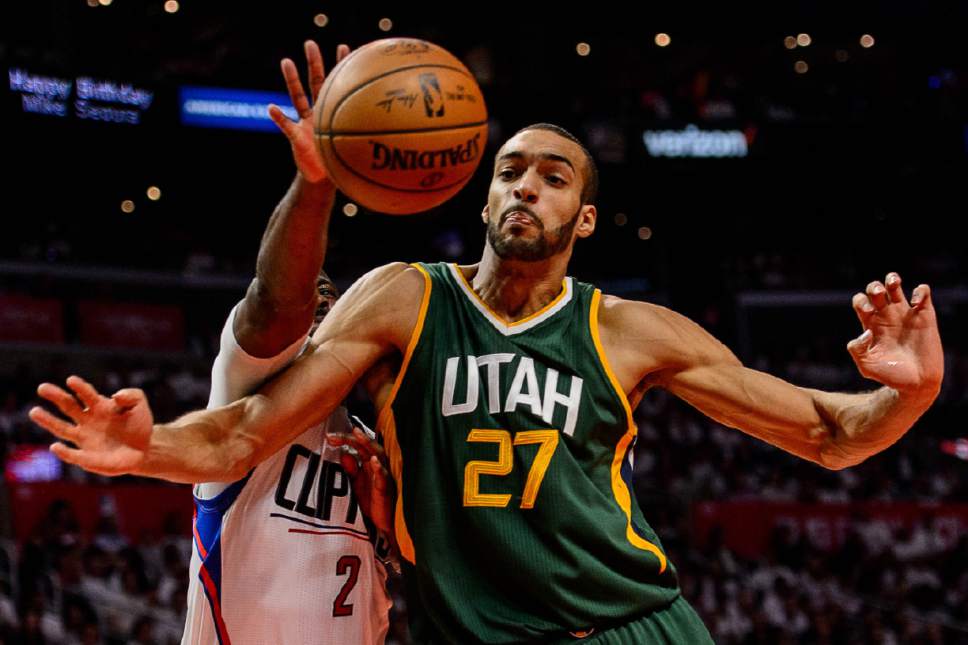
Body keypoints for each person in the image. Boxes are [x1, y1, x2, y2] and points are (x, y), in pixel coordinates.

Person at [31, 117, 943, 642]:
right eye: (510, 171)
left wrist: (910, 392)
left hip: (623, 625)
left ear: (583, 220)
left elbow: (831, 433)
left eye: (553, 178)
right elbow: (242, 431)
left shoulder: (629, 331)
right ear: (481, 193)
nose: (525, 188)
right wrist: (142, 448)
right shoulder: (400, 298)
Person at [178, 40, 394, 644]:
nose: (324, 305)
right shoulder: (245, 398)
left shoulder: (378, 449)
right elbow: (279, 302)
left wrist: (399, 539)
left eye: (337, 299)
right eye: (317, 295)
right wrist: (317, 185)